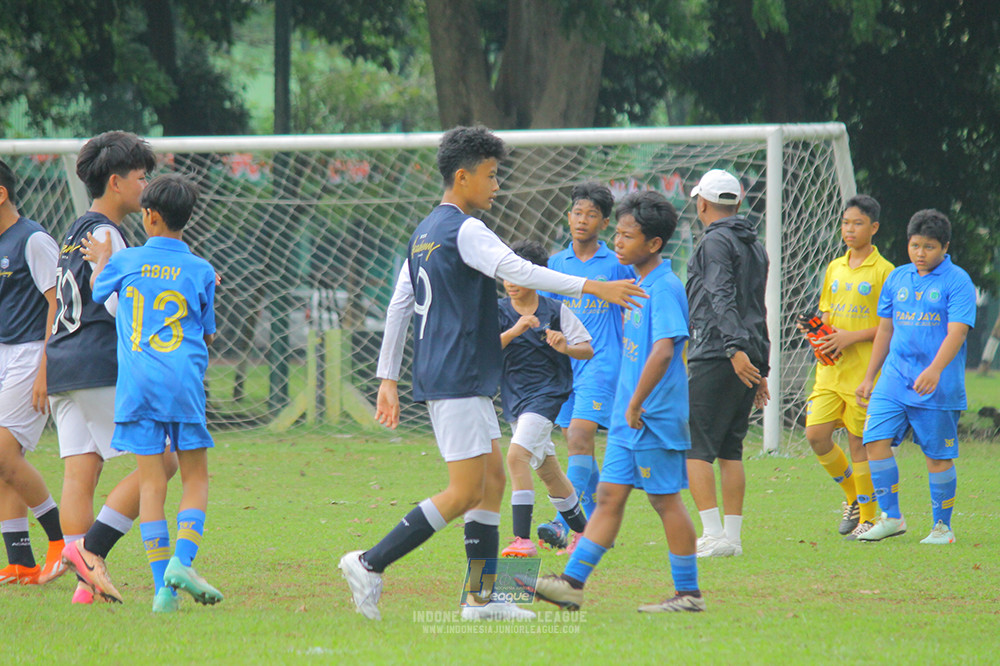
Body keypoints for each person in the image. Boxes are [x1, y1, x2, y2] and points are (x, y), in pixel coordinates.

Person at [337, 125, 646, 622]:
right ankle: (369, 563)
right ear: (462, 177)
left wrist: (388, 377)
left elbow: (399, 304)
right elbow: (520, 271)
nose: (497, 185)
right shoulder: (465, 229)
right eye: (491, 175)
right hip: (458, 374)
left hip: (459, 374)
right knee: (464, 491)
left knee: (493, 482)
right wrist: (593, 285)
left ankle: (480, 599)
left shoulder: (423, 233)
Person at [526, 190, 704, 612]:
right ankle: (571, 584)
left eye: (627, 236)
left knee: (665, 500)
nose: (619, 243)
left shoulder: (663, 286)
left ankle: (689, 594)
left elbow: (664, 350)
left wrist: (638, 401)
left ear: (654, 244)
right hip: (631, 415)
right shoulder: (635, 283)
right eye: (618, 234)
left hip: (651, 416)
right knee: (607, 498)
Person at [77, 173, 221, 612]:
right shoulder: (200, 270)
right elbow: (209, 335)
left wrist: (103, 259)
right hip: (181, 382)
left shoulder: (128, 261)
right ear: (186, 219)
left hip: (136, 384)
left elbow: (99, 294)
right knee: (195, 477)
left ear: (149, 216)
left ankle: (164, 592)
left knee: (152, 484)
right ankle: (182, 561)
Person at [47, 131, 177, 605]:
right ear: (118, 183)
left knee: (81, 474)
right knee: (163, 460)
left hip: (62, 364)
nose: (148, 186)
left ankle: (86, 591)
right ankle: (91, 553)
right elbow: (127, 305)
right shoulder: (110, 236)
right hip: (97, 363)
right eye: (143, 178)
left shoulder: (75, 230)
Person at [855, 209, 976, 544]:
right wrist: (869, 377)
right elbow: (885, 330)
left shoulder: (958, 281)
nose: (921, 254)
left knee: (937, 457)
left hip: (936, 385)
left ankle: (942, 528)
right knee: (874, 441)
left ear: (945, 246)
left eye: (930, 247)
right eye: (915, 245)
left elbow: (958, 332)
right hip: (893, 379)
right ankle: (891, 517)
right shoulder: (897, 278)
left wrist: (935, 369)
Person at [535, 182, 633, 554]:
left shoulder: (617, 263)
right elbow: (547, 314)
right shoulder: (557, 264)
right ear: (569, 215)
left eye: (592, 214)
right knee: (580, 448)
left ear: (604, 222)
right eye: (578, 212)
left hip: (601, 362)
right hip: (565, 365)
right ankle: (593, 529)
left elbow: (634, 311)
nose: (582, 219)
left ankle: (562, 525)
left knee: (578, 437)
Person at [685, 169, 770, 558]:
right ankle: (731, 539)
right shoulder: (755, 245)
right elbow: (758, 307)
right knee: (730, 450)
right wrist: (760, 367)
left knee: (697, 447)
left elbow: (720, 295)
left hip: (719, 353)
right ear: (736, 204)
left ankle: (713, 535)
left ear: (702, 203)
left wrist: (734, 350)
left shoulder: (713, 242)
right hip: (746, 353)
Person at [801, 195, 894, 539]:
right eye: (845, 223)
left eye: (857, 223)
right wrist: (818, 332)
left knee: (859, 443)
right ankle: (853, 498)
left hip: (863, 371)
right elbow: (828, 314)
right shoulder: (834, 268)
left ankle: (869, 518)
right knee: (816, 434)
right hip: (831, 370)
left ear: (874, 228)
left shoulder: (885, 272)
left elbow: (889, 325)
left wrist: (849, 337)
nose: (850, 229)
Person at [497, 240, 593, 559]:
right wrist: (515, 329)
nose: (510, 282)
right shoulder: (498, 311)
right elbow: (485, 350)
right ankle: (584, 534)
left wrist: (565, 346)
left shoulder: (555, 311)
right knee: (548, 471)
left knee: (516, 457)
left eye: (517, 274)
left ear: (536, 277)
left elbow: (586, 348)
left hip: (547, 395)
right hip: (514, 398)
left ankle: (521, 539)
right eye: (506, 274)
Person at [0, 158, 65, 585]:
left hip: (29, 355)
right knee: (6, 463)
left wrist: (46, 366)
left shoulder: (34, 239)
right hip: (4, 354)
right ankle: (20, 560)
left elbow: (57, 304)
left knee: (3, 454)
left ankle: (61, 542)